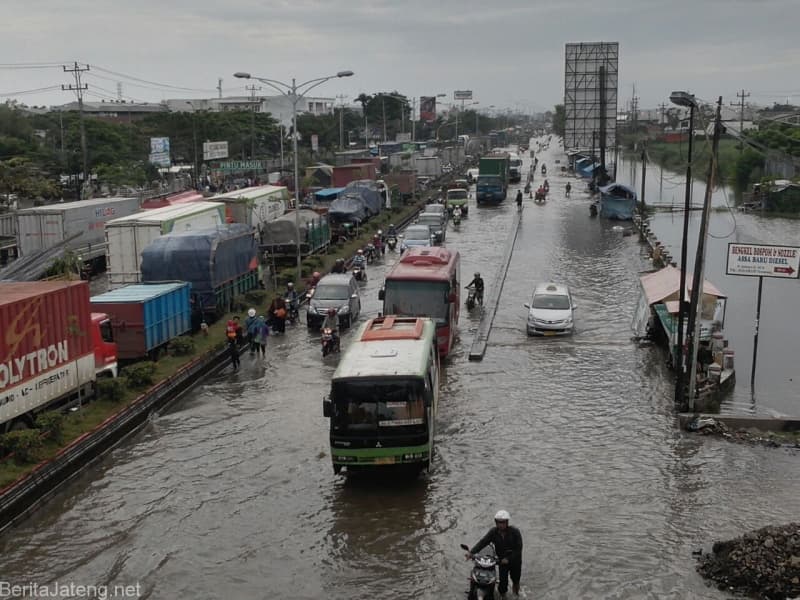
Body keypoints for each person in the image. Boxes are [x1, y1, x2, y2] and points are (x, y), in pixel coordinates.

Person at [466, 510, 523, 598]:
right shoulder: (493, 532)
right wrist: (471, 552)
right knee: (502, 585)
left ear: (507, 522)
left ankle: (516, 595)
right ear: (496, 522)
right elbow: (483, 542)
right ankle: (503, 597)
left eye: (503, 522)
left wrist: (508, 559)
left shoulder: (515, 532)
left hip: (515, 561)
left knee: (515, 580)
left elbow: (519, 549)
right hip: (502, 561)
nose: (501, 524)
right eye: (498, 522)